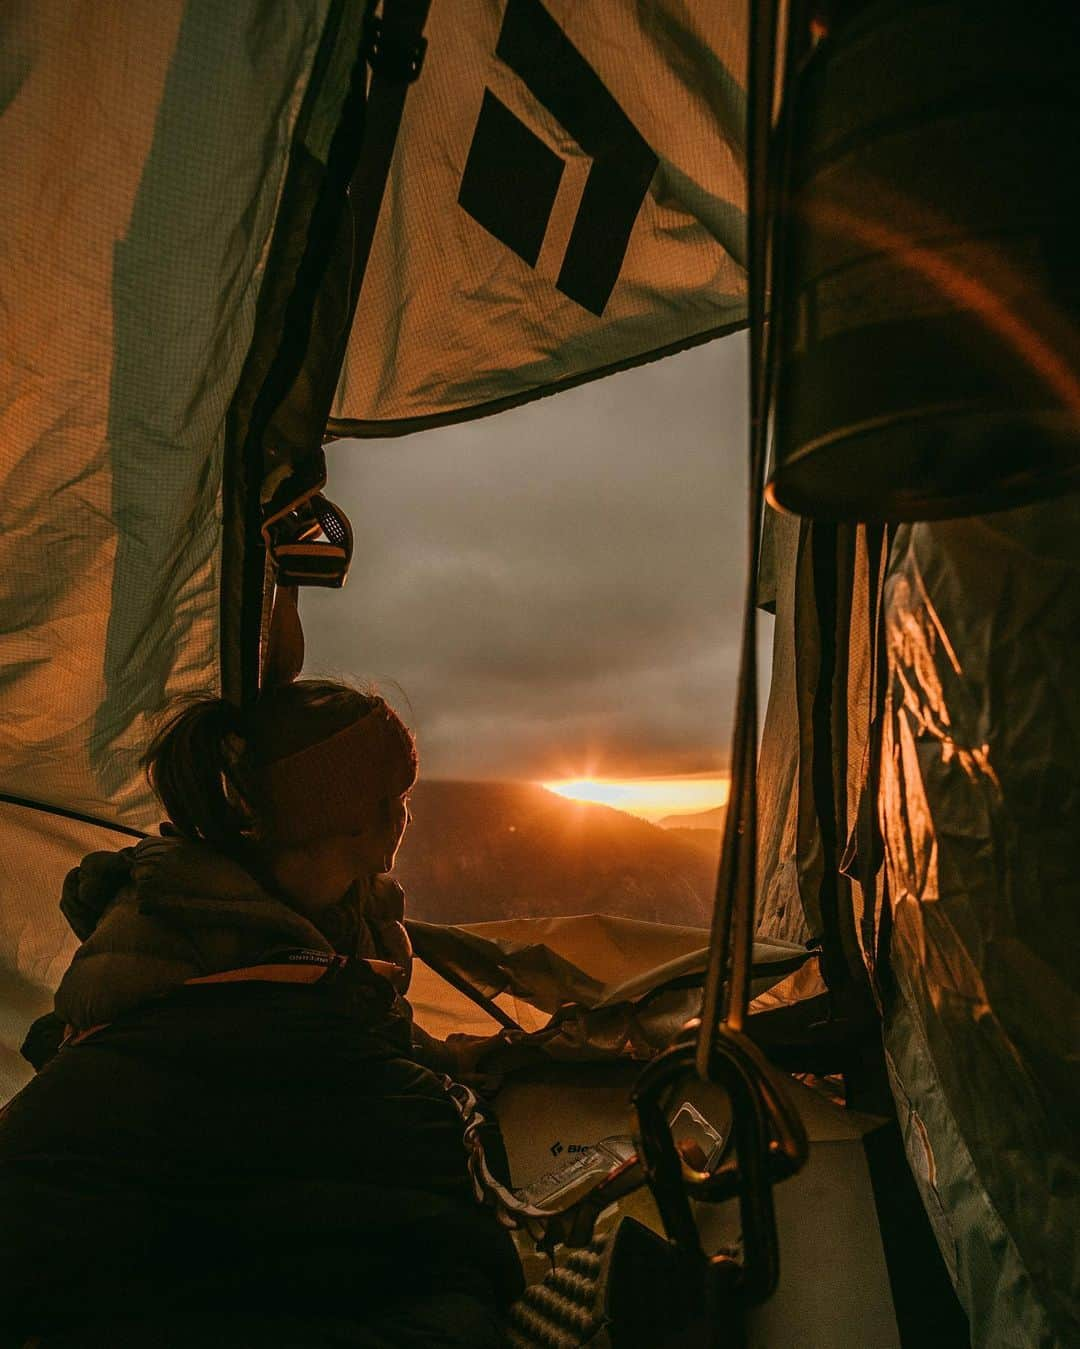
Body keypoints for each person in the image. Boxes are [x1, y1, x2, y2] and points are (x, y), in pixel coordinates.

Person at [0, 680, 524, 1347]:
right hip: (157, 1244)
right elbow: (192, 1089)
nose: (405, 817)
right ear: (340, 818)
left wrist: (442, 1057)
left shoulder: (335, 921)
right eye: (392, 798)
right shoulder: (182, 946)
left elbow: (329, 1042)